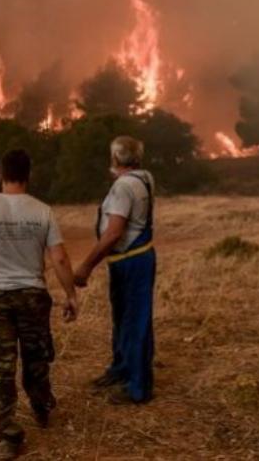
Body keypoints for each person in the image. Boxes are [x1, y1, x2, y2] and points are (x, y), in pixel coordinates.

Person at [0, 149, 79, 460]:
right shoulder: (42, 211)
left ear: (0, 173)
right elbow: (60, 258)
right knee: (36, 356)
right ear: (29, 175)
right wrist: (71, 295)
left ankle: (8, 435)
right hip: (33, 295)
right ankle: (40, 407)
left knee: (1, 366)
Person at [73, 136, 156, 405]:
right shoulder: (145, 178)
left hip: (131, 261)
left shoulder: (123, 186)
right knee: (124, 318)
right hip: (136, 258)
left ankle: (137, 387)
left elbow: (113, 234)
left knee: (134, 321)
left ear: (116, 159)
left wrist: (86, 266)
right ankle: (121, 369)